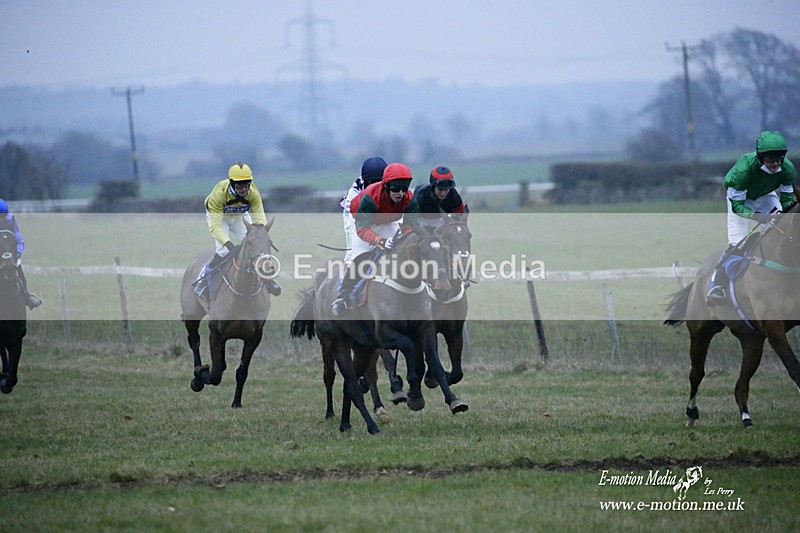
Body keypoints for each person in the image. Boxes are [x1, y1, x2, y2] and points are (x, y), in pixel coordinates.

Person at [706, 131, 796, 304]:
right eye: (770, 159)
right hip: (740, 201)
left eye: (779, 158)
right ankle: (718, 285)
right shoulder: (743, 170)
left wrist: (783, 216)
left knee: (783, 234)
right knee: (737, 244)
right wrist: (756, 216)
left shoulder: (787, 168)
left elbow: (787, 200)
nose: (776, 164)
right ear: (761, 157)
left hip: (766, 197)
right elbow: (737, 206)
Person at [330, 162, 420, 317]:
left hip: (387, 221)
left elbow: (410, 226)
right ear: (385, 186)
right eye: (395, 189)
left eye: (403, 189)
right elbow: (362, 229)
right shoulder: (369, 198)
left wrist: (403, 238)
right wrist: (380, 241)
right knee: (359, 258)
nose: (400, 193)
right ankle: (341, 298)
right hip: (363, 222)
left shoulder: (409, 198)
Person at [194, 163, 281, 302]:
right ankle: (203, 280)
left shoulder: (253, 192)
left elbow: (259, 218)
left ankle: (267, 280)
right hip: (219, 218)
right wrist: (229, 245)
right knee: (223, 251)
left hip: (239, 216)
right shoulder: (219, 194)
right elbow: (215, 227)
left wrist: (260, 236)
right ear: (232, 183)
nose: (244, 189)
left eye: (246, 184)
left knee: (255, 247)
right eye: (240, 186)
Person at [340, 157, 387, 263]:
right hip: (354, 216)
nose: (375, 187)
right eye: (372, 182)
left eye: (379, 182)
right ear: (365, 181)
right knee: (352, 253)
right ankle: (346, 276)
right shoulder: (354, 194)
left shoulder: (391, 186)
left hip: (379, 214)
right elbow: (352, 224)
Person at [0, 198, 42, 309]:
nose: (2, 219)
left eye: (3, 216)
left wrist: (17, 254)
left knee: (18, 264)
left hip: (10, 255)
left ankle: (26, 295)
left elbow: (19, 240)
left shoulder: (11, 221)